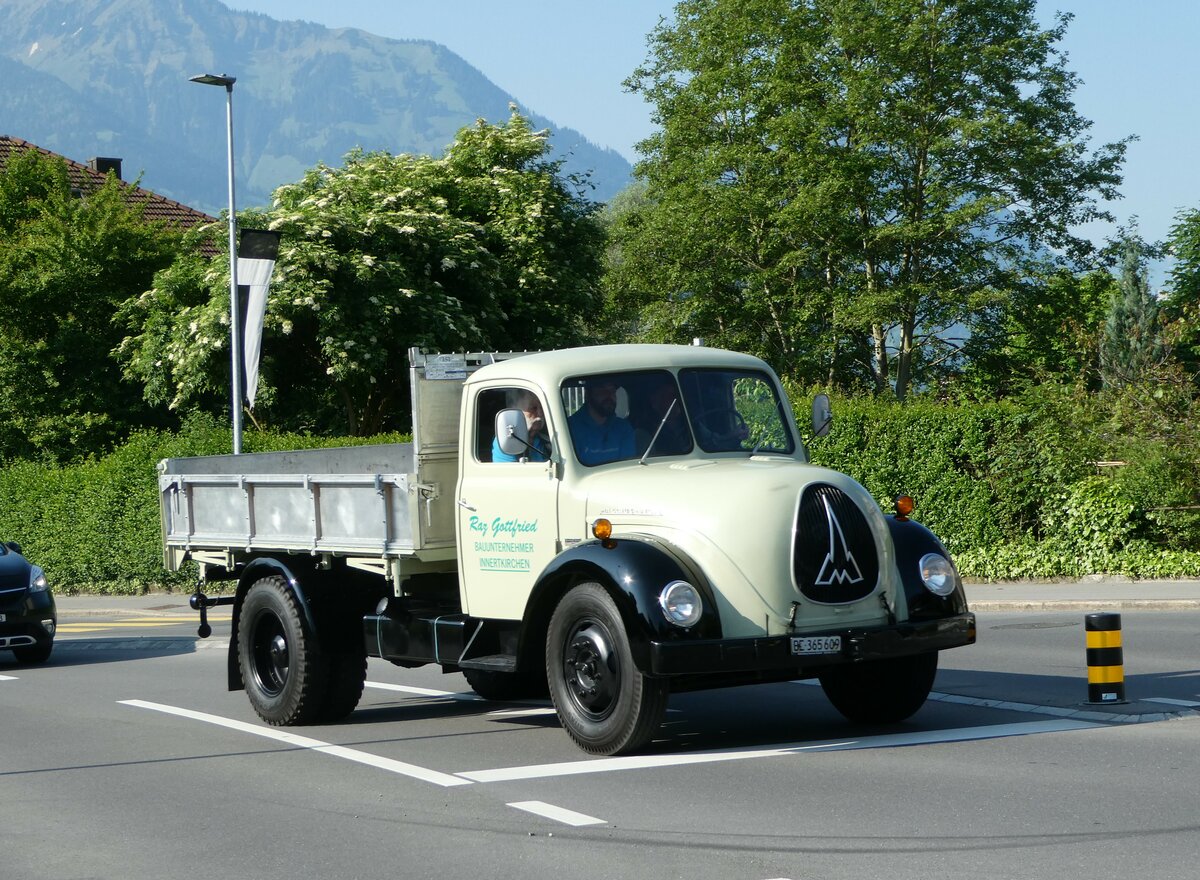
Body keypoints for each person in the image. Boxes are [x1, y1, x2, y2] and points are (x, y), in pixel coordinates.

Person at [567, 377, 636, 465]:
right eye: (603, 391)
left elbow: (627, 466)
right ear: (588, 394)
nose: (609, 396)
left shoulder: (623, 428)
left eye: (612, 391)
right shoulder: (570, 428)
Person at [635, 376, 691, 456]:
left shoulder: (690, 424)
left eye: (678, 396)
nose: (677, 400)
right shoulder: (643, 433)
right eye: (671, 396)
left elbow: (712, 439)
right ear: (655, 401)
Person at [492, 391, 549, 462]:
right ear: (514, 412)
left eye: (542, 407)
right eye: (533, 408)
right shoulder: (507, 440)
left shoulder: (542, 437)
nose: (541, 413)